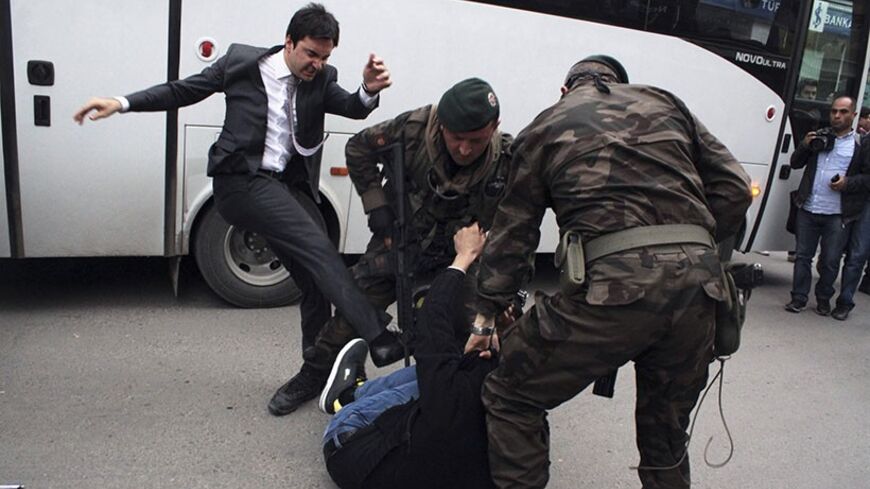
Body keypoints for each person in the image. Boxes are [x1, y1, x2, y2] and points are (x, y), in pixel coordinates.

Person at [73, 3, 402, 416]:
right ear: (289, 42)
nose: (316, 65)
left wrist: (369, 89)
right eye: (310, 55)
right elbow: (182, 90)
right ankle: (379, 336)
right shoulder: (242, 64)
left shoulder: (322, 79)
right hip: (240, 184)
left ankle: (312, 372)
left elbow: (353, 106)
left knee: (315, 279)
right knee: (319, 247)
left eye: (325, 58)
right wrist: (121, 102)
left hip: (286, 185)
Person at [465, 55, 751, 489]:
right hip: (700, 293)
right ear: (622, 85)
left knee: (510, 394)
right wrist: (689, 249)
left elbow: (514, 235)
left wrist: (487, 313)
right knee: (665, 440)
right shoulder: (665, 103)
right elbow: (734, 188)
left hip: (610, 295)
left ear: (565, 90)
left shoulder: (546, 125)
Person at [272, 78, 514, 414]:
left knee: (478, 332)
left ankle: (473, 397)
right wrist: (378, 209)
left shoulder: (508, 159)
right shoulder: (415, 128)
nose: (464, 149)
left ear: (495, 126)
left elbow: (515, 232)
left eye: (476, 139)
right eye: (456, 137)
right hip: (399, 241)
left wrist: (496, 294)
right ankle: (314, 374)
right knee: (351, 311)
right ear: (442, 125)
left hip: (463, 258)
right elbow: (358, 148)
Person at [319, 223, 501, 489]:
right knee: (437, 377)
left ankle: (345, 401)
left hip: (346, 446)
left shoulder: (451, 389)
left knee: (428, 379)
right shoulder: (521, 407)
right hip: (440, 461)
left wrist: (464, 257)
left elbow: (433, 318)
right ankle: (352, 393)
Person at [785, 96, 867, 315]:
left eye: (843, 112)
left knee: (830, 261)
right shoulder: (820, 138)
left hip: (838, 214)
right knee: (802, 257)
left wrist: (847, 183)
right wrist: (804, 145)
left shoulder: (860, 144)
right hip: (809, 207)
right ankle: (798, 298)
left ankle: (823, 299)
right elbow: (795, 163)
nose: (837, 116)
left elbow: (867, 179)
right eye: (833, 112)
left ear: (853, 115)